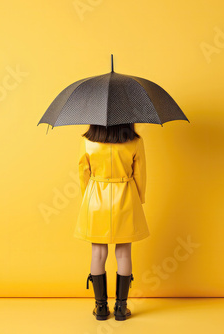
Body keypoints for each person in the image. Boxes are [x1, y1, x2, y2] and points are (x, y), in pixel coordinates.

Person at [74, 123, 150, 321]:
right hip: (125, 198)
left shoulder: (87, 142)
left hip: (96, 200)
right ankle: (120, 308)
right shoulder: (134, 142)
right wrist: (138, 199)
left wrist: (88, 199)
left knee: (98, 253)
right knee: (124, 253)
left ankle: (100, 308)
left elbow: (83, 173)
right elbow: (140, 174)